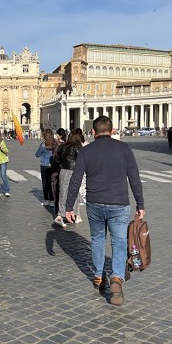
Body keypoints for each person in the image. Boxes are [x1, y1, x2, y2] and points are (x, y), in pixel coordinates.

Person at [65, 116, 145, 306]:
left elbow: (75, 179)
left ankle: (98, 276)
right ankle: (116, 278)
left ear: (93, 132)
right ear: (113, 130)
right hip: (119, 202)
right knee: (119, 242)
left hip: (95, 202)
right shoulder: (124, 148)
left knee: (98, 239)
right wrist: (140, 204)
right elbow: (134, 177)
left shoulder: (86, 151)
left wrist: (69, 207)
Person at [53, 130, 84, 227]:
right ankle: (75, 215)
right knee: (74, 192)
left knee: (63, 193)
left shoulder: (62, 146)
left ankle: (61, 215)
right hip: (73, 172)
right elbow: (82, 159)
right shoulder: (77, 146)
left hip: (63, 171)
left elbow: (57, 160)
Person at [35, 129, 55, 207]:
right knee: (52, 183)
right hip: (52, 165)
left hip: (44, 165)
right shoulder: (54, 144)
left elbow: (37, 154)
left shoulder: (43, 145)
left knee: (45, 183)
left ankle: (47, 200)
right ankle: (53, 200)